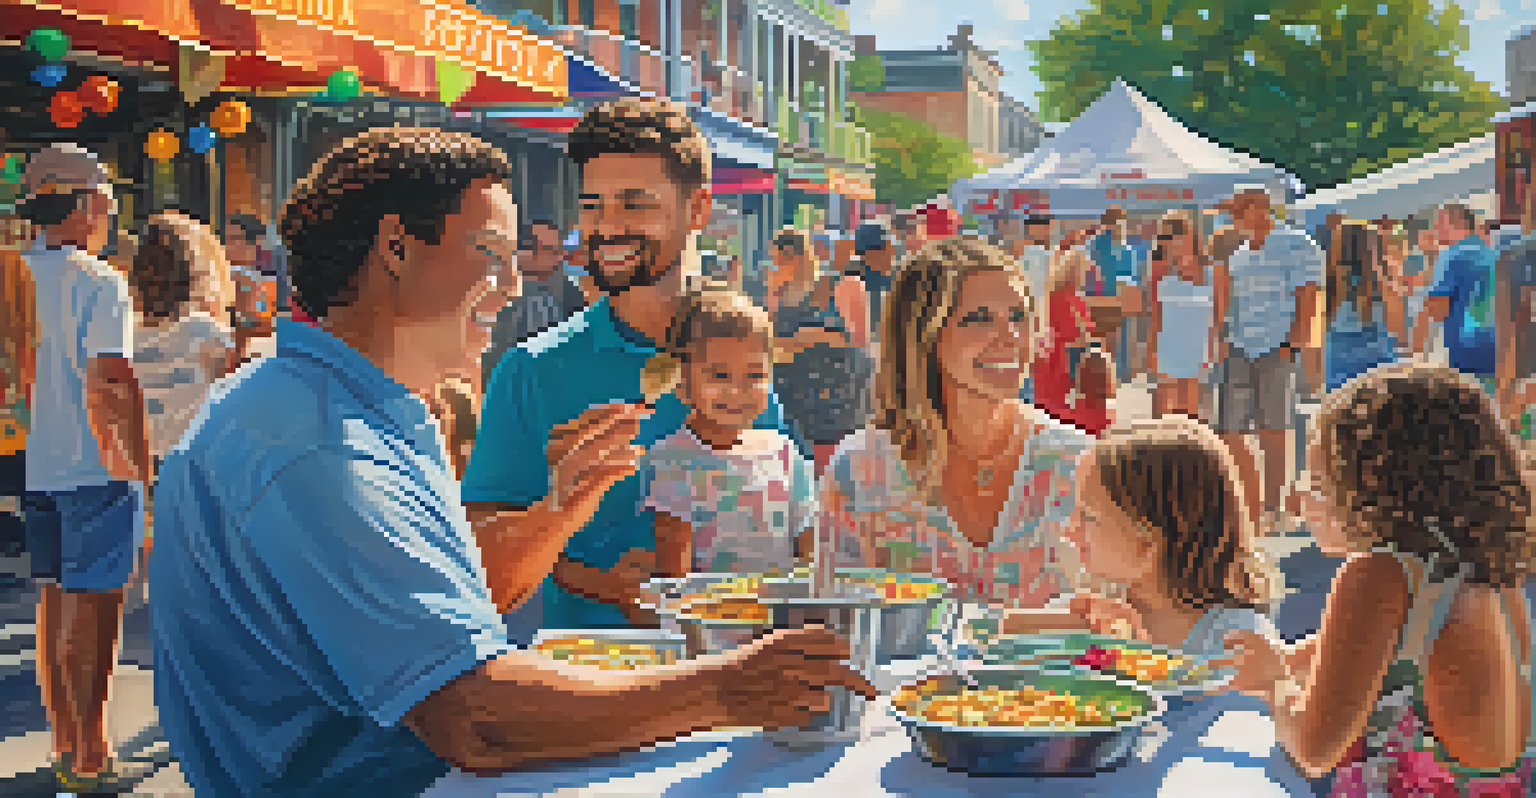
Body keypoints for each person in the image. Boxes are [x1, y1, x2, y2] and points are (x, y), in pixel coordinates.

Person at [149, 126, 873, 798]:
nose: (516, 284)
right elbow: (475, 720)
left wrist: (559, 511)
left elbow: (451, 608)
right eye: (490, 253)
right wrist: (726, 690)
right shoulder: (318, 444)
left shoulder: (347, 405)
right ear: (397, 249)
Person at [463, 98, 808, 633]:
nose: (607, 227)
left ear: (696, 211)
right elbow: (484, 569)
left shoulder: (743, 356)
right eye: (593, 205)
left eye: (634, 204)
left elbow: (782, 515)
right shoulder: (531, 370)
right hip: (586, 688)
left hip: (732, 679)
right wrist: (592, 560)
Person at [1227, 362, 1534, 794]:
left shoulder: (1376, 575)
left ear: (1373, 483)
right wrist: (1283, 658)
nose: (1297, 501)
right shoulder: (1485, 572)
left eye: (1316, 480)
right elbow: (1379, 651)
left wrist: (1273, 682)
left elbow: (1314, 753)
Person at [823, 235, 1092, 608]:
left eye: (1018, 317)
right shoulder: (860, 472)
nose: (1010, 337)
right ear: (924, 336)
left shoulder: (1078, 464)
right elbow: (838, 626)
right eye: (979, 319)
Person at [17, 144, 150, 789]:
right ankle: (91, 755)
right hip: (96, 464)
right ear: (83, 204)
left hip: (32, 462)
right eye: (104, 196)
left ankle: (65, 742)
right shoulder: (99, 281)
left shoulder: (12, 274)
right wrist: (139, 468)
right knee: (96, 609)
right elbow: (111, 381)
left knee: (52, 600)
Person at [1003, 416, 1278, 657]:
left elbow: (1246, 707)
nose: (1068, 528)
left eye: (1087, 516)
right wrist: (1063, 625)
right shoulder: (1093, 612)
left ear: (1147, 546)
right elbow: (982, 640)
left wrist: (1131, 659)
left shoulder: (1238, 639)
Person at [645, 281, 816, 577]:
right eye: (720, 375)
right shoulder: (673, 460)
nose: (738, 391)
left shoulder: (785, 453)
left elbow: (809, 550)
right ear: (683, 384)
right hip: (707, 620)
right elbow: (674, 573)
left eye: (755, 374)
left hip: (782, 619)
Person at [1213, 187, 1325, 536]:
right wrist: (1225, 336)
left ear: (1258, 210)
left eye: (1237, 211)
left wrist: (1292, 345)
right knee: (1230, 430)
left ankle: (1275, 509)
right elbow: (1232, 301)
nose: (1232, 219)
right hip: (1240, 346)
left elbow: (1308, 294)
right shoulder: (1240, 254)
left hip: (1275, 346)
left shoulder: (1295, 242)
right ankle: (1253, 502)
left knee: (1273, 429)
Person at [128, 212, 244, 471]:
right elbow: (236, 402)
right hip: (194, 464)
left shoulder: (125, 332)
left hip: (144, 463)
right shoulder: (205, 333)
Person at [767, 228, 873, 474]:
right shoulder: (778, 292)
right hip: (791, 397)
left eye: (788, 256)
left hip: (837, 401)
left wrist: (809, 338)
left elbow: (858, 342)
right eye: (778, 259)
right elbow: (770, 340)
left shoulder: (841, 284)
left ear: (805, 254)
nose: (782, 264)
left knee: (834, 476)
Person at [481, 219, 587, 388]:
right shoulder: (495, 293)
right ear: (524, 253)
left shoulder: (560, 294)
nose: (559, 258)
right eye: (551, 251)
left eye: (560, 251)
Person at [1420, 203, 1500, 397]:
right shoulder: (1493, 252)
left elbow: (1436, 310)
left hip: (1467, 355)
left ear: (1451, 222)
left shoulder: (1451, 254)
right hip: (1500, 351)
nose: (1434, 229)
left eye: (1438, 222)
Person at [1147, 210, 1216, 420]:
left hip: (1196, 341)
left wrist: (1213, 343)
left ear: (1191, 235)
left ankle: (1189, 446)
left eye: (1177, 233)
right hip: (1168, 338)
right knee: (1164, 401)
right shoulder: (1158, 268)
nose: (1170, 240)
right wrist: (1151, 347)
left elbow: (1217, 312)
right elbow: (1155, 311)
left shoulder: (1208, 269)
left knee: (1190, 403)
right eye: (1165, 236)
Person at [1322, 222, 1398, 393]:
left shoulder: (1328, 284)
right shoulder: (1383, 284)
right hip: (1379, 372)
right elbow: (1399, 329)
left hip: (1337, 373)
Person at [1033, 246, 1095, 430]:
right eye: (1082, 272)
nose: (1084, 277)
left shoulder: (1073, 296)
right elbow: (1074, 331)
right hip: (1062, 358)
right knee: (1055, 405)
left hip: (1067, 357)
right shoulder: (1061, 297)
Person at [225, 213, 278, 362]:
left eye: (233, 238)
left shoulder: (268, 283)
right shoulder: (218, 277)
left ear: (255, 242)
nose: (226, 244)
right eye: (225, 239)